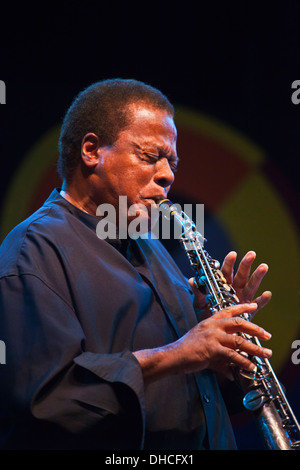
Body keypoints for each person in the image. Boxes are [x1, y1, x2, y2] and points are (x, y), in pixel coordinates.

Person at [0, 78, 272, 450]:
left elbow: (184, 386)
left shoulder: (151, 245)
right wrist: (179, 353)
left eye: (171, 162)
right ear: (92, 150)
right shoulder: (34, 248)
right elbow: (46, 400)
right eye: (150, 156)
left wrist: (214, 335)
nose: (168, 175)